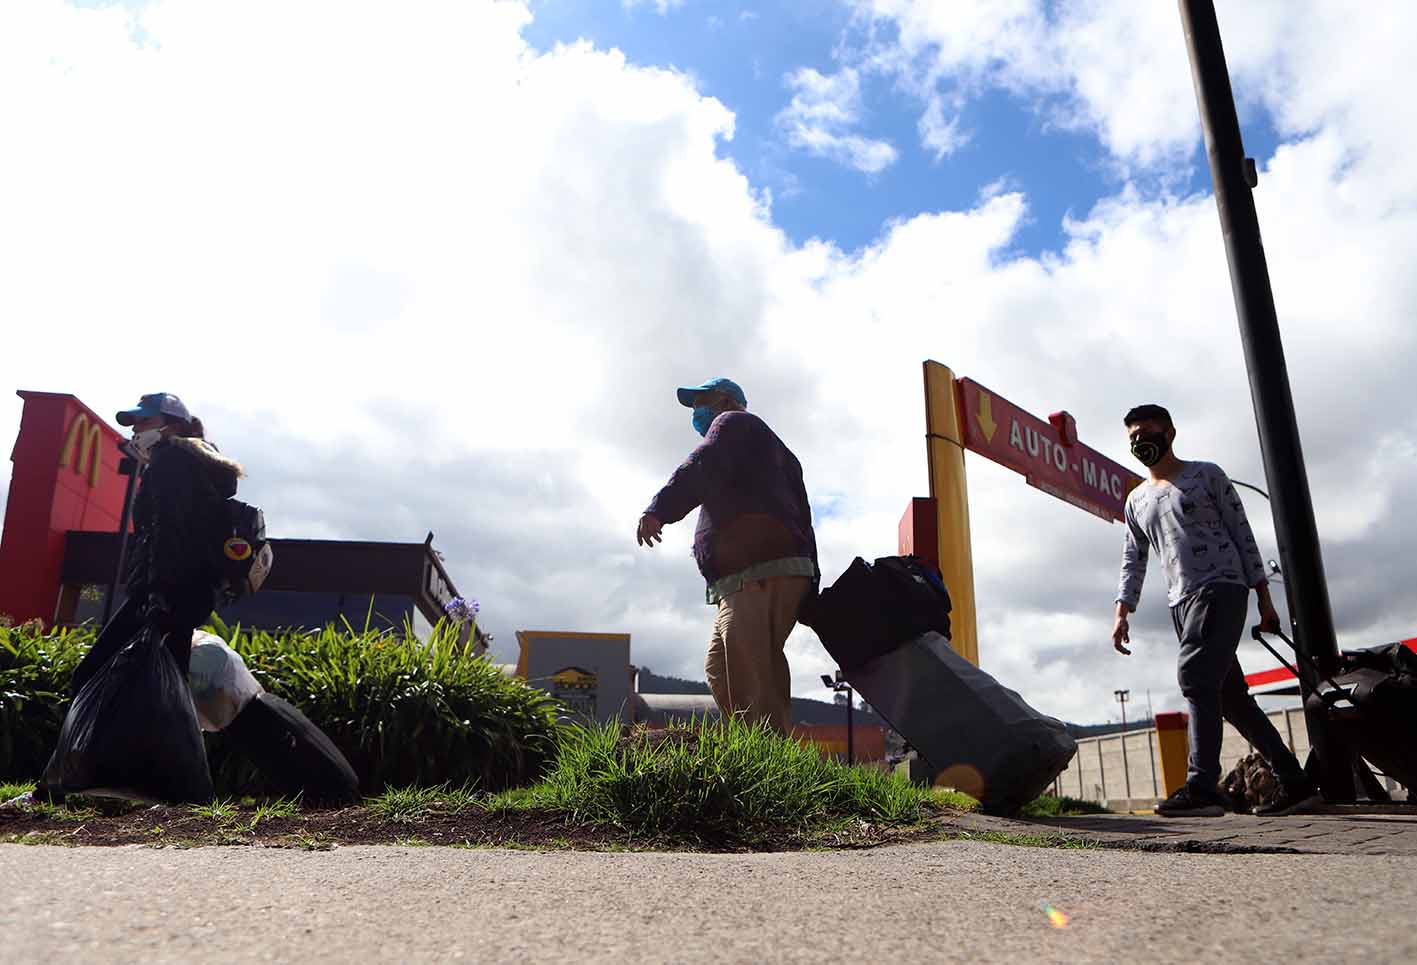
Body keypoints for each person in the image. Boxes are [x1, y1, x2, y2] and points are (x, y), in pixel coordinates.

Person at [1112, 403, 1320, 817]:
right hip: (1180, 599)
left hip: (1222, 588)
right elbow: (1133, 557)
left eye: (1149, 433)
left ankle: (1201, 786)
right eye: (1134, 436)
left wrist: (1263, 596)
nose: (1141, 442)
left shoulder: (1207, 475)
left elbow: (1242, 533)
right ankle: (1295, 781)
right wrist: (1122, 610)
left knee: (1194, 676)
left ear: (1170, 434)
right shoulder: (1136, 499)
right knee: (1231, 699)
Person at [637, 378, 817, 734]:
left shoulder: (733, 423)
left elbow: (704, 463)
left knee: (748, 669)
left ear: (726, 400)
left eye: (702, 401)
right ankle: (757, 749)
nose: (697, 411)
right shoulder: (771, 449)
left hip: (759, 569)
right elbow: (804, 515)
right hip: (756, 574)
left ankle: (769, 762)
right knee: (723, 667)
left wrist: (660, 508)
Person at [68, 392, 244, 694]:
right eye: (133, 423)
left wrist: (157, 592)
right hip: (193, 592)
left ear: (172, 426)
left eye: (144, 420)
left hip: (163, 592)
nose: (136, 429)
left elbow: (167, 527)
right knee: (168, 686)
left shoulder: (170, 461)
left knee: (87, 678)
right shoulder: (197, 463)